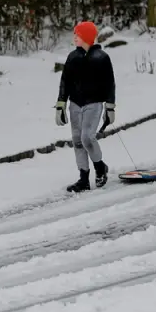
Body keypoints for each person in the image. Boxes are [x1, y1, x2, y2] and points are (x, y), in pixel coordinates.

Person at [55, 21, 116, 192]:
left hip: (94, 104)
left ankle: (100, 167)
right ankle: (83, 178)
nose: (74, 37)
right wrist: (61, 104)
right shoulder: (72, 57)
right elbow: (65, 82)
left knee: (87, 137)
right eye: (74, 34)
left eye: (78, 35)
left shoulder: (102, 58)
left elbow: (110, 84)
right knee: (77, 140)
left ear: (87, 37)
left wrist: (109, 107)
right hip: (75, 104)